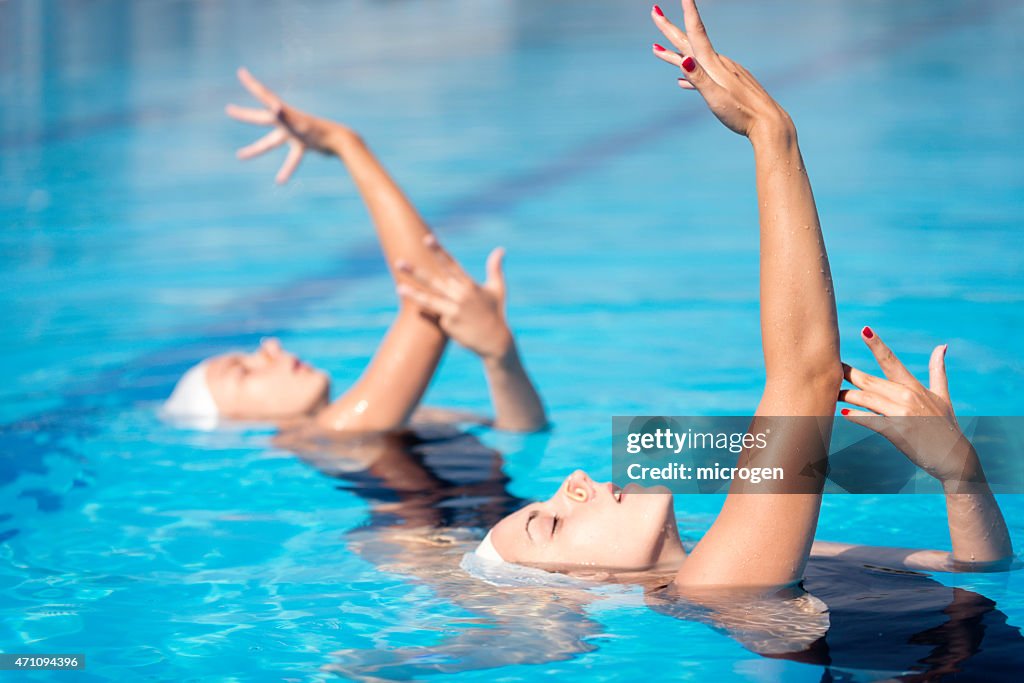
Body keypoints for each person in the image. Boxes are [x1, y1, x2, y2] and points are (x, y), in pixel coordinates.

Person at [161, 69, 547, 437]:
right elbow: (426, 296)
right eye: (243, 373)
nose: (269, 349)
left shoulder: (395, 419)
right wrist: (345, 144)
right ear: (237, 424)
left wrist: (500, 357)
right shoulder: (334, 433)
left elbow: (520, 433)